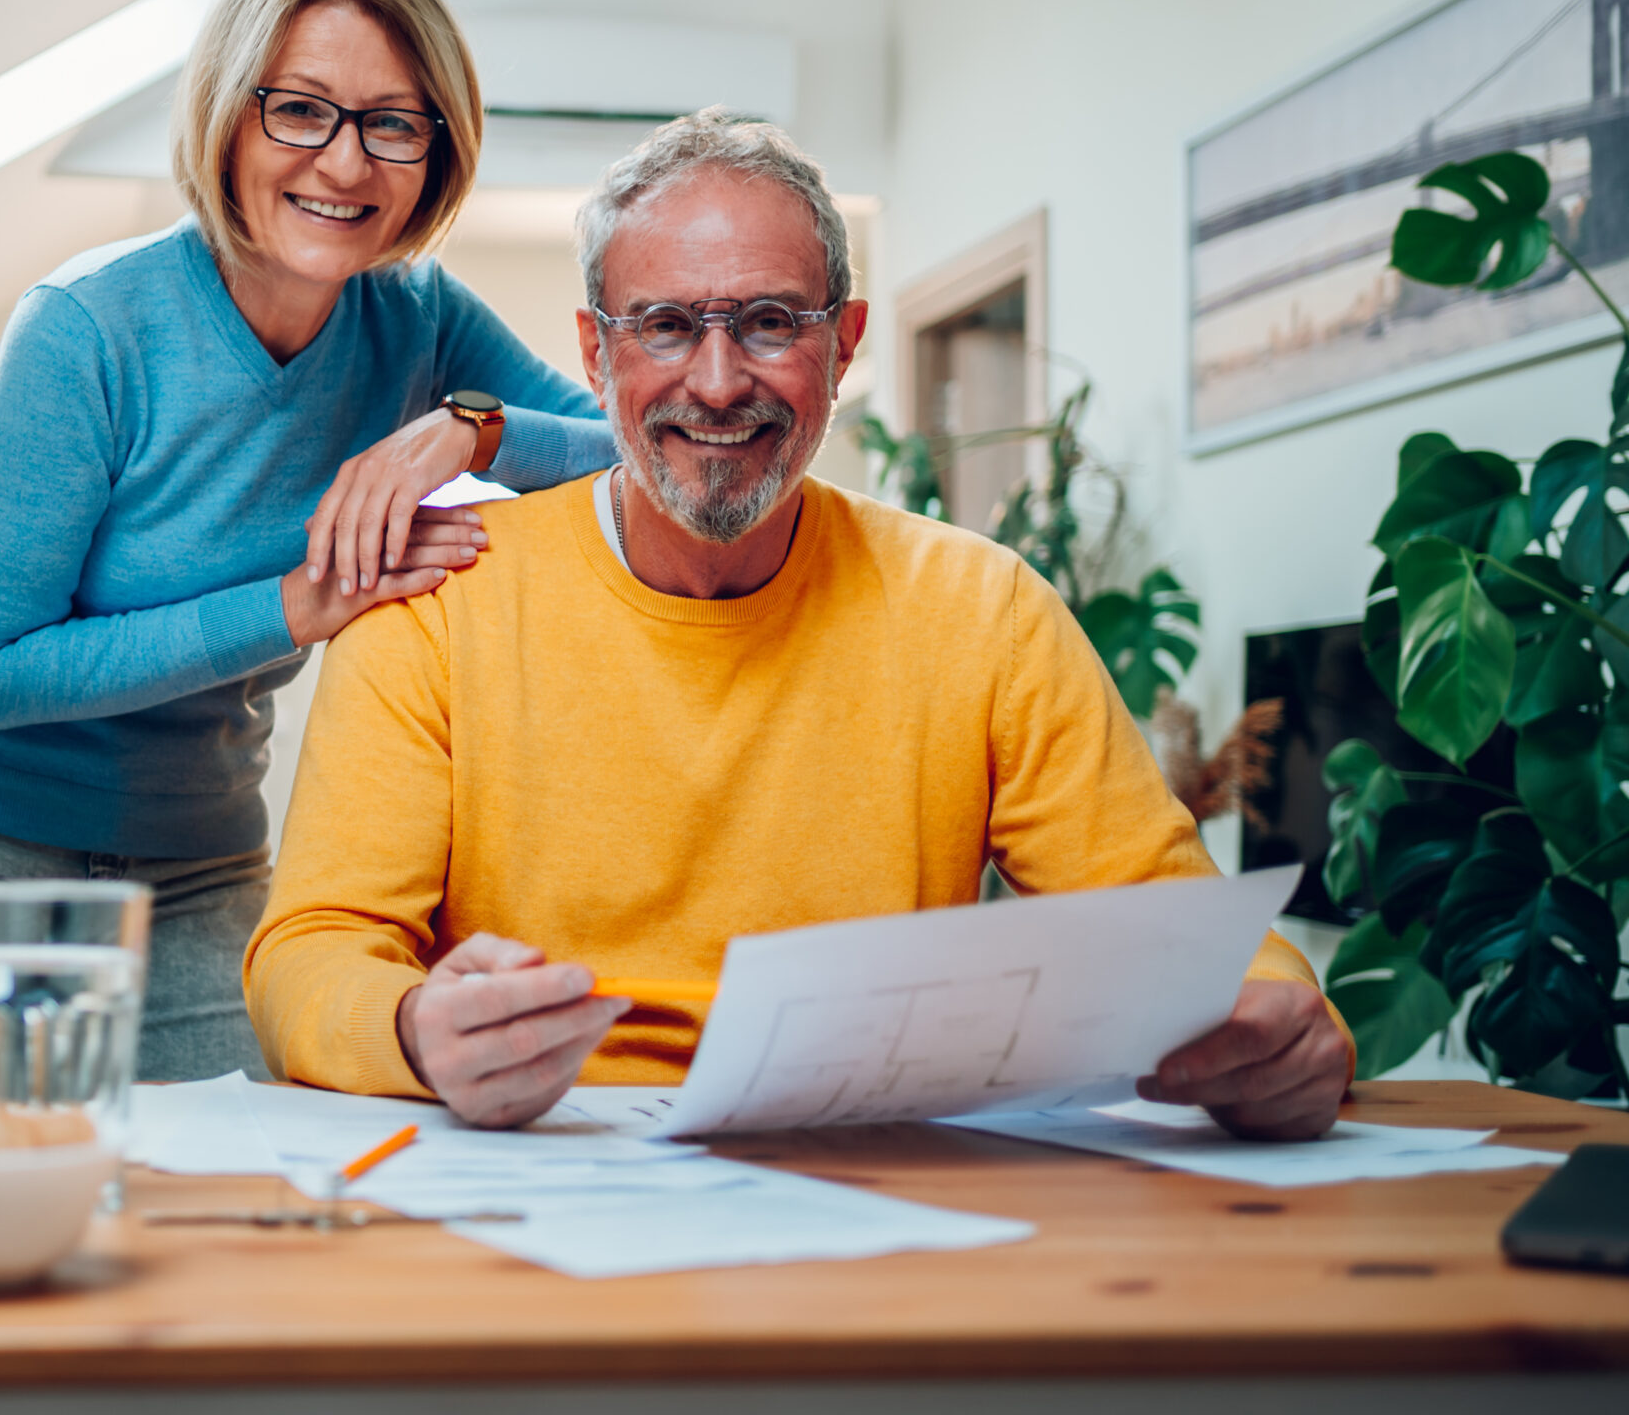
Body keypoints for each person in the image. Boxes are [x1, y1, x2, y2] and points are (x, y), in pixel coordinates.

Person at [244, 109, 1354, 1140]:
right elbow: (312, 951)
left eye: (771, 322)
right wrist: (411, 1029)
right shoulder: (440, 603)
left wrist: (1284, 1020)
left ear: (845, 340)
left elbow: (1174, 922)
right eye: (666, 326)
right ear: (594, 353)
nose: (718, 381)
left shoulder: (984, 609)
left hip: (873, 1175)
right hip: (530, 1168)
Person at [0, 0, 617, 1082]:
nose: (345, 165)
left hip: (198, 864)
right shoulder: (85, 327)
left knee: (258, 1176)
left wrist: (476, 424)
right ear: (227, 116)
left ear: (434, 151)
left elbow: (635, 450)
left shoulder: (417, 319)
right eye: (299, 109)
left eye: (393, 123)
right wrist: (295, 607)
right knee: (17, 1211)